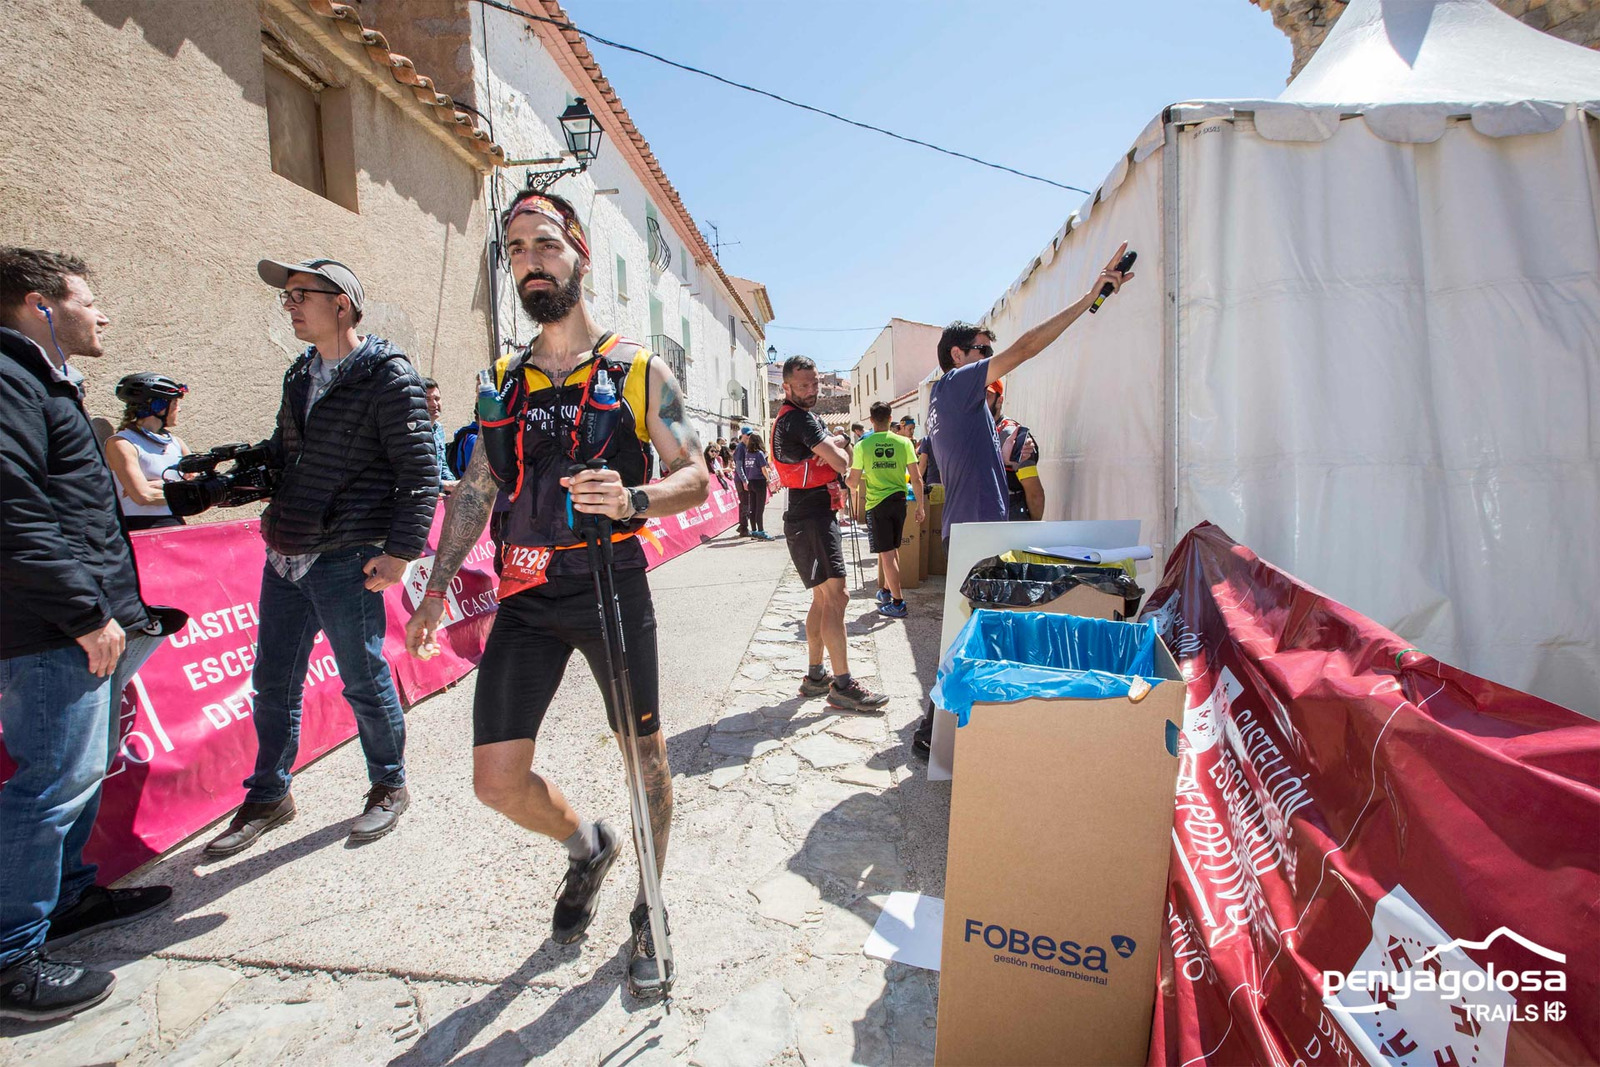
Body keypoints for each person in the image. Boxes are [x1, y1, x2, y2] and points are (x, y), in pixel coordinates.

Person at [404, 190, 710, 1000]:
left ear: (580, 253)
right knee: (495, 780)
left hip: (610, 584)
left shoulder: (640, 370)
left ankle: (650, 905)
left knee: (645, 757)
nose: (530, 262)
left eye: (545, 244)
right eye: (515, 250)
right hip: (528, 593)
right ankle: (588, 846)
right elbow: (479, 485)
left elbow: (697, 476)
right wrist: (436, 590)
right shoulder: (505, 380)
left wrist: (636, 497)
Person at [202, 257, 439, 858]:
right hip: (286, 553)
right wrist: (226, 483)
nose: (290, 306)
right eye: (286, 297)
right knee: (272, 683)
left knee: (362, 679)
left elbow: (419, 473)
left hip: (347, 555)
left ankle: (389, 784)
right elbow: (285, 453)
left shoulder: (389, 376)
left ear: (342, 303)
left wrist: (400, 553)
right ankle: (268, 795)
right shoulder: (299, 373)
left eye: (300, 294)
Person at [0, 247, 178, 1021]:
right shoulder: (9, 379)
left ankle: (67, 901)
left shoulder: (44, 382)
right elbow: (13, 512)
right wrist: (83, 612)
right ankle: (10, 955)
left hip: (77, 622)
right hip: (52, 630)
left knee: (79, 772)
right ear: (40, 305)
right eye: (86, 300)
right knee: (49, 782)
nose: (100, 313)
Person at [913, 243, 1135, 759]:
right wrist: (1090, 297)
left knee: (981, 630)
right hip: (979, 531)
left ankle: (955, 728)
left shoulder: (944, 399)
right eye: (982, 350)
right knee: (977, 632)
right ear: (958, 356)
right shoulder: (957, 384)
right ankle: (940, 730)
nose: (991, 361)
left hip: (972, 528)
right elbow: (1029, 347)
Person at [771, 355, 889, 713]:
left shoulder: (797, 419)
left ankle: (815, 676)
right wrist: (838, 450)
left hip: (807, 515)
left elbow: (837, 453)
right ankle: (842, 686)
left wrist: (835, 444)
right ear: (786, 387)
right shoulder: (800, 419)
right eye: (803, 385)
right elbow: (842, 463)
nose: (812, 391)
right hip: (813, 518)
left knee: (823, 599)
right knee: (837, 597)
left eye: (815, 384)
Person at [849, 401, 924, 618]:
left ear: (871, 420)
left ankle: (898, 603)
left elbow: (853, 482)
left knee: (887, 554)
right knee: (892, 549)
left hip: (877, 504)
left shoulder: (863, 445)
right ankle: (886, 590)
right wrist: (920, 506)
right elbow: (917, 478)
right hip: (899, 501)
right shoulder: (904, 443)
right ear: (891, 419)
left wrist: (845, 479)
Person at [106, 373, 191, 531]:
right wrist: (183, 490)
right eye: (174, 403)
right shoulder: (122, 443)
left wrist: (163, 485)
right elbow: (143, 496)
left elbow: (199, 481)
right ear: (158, 406)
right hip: (140, 527)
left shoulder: (177, 443)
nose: (179, 409)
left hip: (176, 524)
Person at [987, 380, 1045, 520]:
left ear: (999, 401)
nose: (981, 401)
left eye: (987, 396)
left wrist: (1032, 527)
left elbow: (1034, 494)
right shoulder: (981, 431)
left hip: (1009, 517)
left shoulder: (1011, 434)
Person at [422, 377, 458, 496]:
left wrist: (455, 484)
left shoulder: (439, 429)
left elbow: (442, 465)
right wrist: (446, 485)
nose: (434, 404)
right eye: (428, 399)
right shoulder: (413, 433)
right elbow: (414, 474)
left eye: (437, 399)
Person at [738, 430, 774, 540]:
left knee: (753, 508)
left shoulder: (747, 454)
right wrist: (769, 479)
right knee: (760, 509)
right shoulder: (759, 454)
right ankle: (761, 531)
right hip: (759, 482)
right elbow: (764, 469)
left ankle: (754, 531)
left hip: (751, 482)